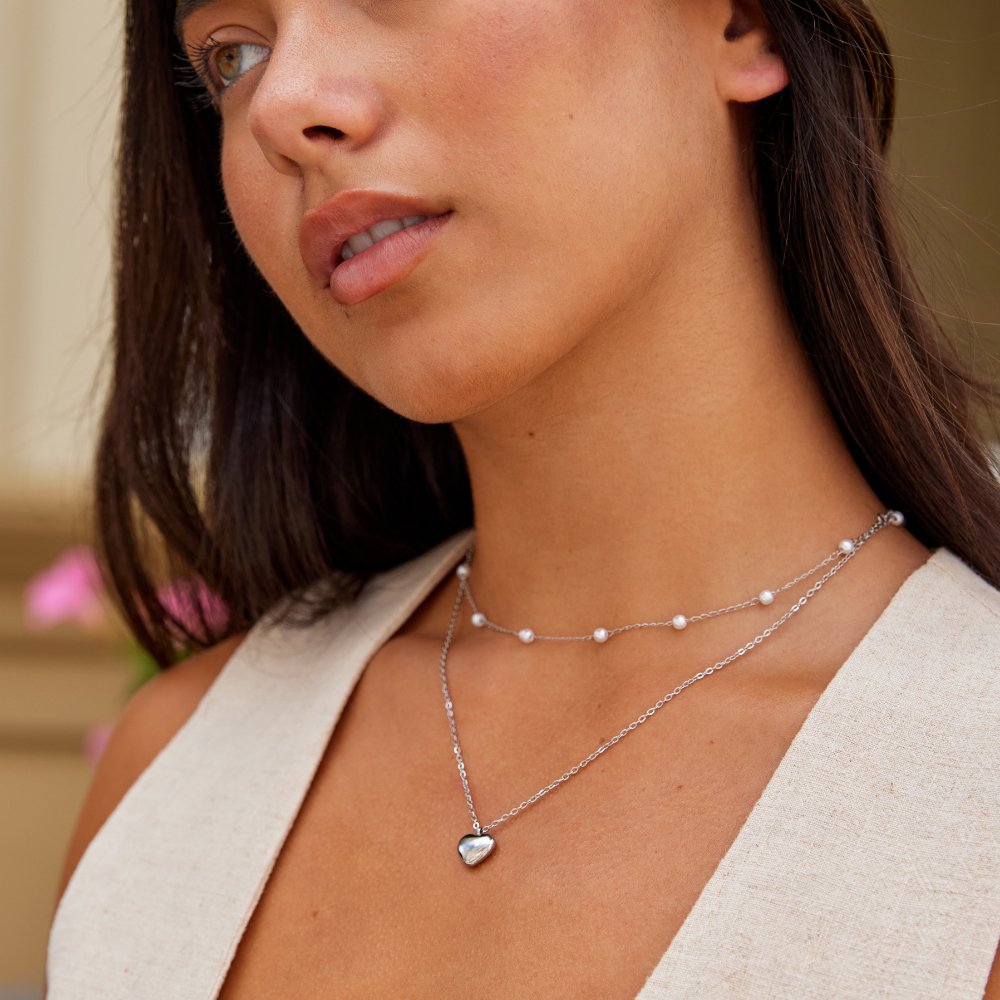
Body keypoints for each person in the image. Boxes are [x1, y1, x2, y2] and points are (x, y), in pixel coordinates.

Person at [45, 0, 998, 997]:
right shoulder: (172, 781)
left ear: (742, 24)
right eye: (233, 56)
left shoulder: (968, 788)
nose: (281, 104)